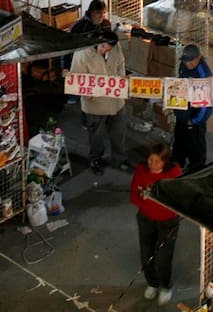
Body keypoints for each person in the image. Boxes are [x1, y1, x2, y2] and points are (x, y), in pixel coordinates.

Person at [70, 21, 130, 176]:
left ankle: (120, 159)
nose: (104, 51)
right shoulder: (82, 52)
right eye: (103, 47)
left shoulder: (116, 47)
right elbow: (76, 77)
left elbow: (121, 64)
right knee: (96, 134)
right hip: (94, 103)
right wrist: (87, 93)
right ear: (98, 40)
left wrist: (121, 79)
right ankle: (96, 159)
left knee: (119, 131)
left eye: (108, 49)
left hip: (116, 100)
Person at [130, 142, 184, 305]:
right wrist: (144, 198)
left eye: (157, 161)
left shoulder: (174, 172)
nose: (153, 165)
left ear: (165, 162)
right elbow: (134, 195)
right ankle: (152, 283)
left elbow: (178, 201)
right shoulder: (141, 169)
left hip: (168, 222)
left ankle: (166, 287)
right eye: (150, 160)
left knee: (163, 258)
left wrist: (156, 199)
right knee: (146, 255)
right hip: (146, 219)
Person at [172, 44, 212, 173]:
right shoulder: (184, 65)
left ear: (198, 57)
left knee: (195, 144)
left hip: (194, 116)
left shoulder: (204, 75)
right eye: (185, 60)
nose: (187, 64)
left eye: (190, 61)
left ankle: (197, 168)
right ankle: (178, 163)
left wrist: (194, 121)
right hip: (182, 112)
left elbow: (207, 106)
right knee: (179, 141)